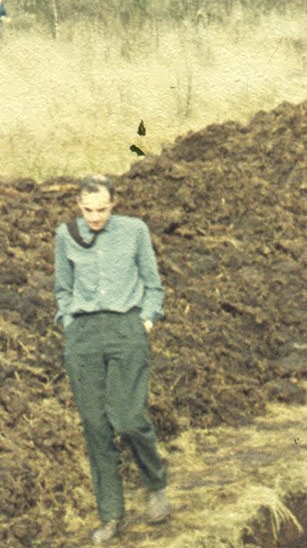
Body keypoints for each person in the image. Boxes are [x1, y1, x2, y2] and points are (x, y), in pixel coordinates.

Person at [54, 175, 171, 545]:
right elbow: (63, 288)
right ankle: (111, 515)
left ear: (114, 204)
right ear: (78, 205)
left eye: (102, 209)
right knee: (96, 425)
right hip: (85, 335)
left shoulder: (134, 231)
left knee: (129, 417)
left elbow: (153, 283)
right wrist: (69, 323)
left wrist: (148, 317)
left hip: (126, 330)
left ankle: (155, 485)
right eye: (88, 210)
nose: (95, 217)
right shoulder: (65, 235)